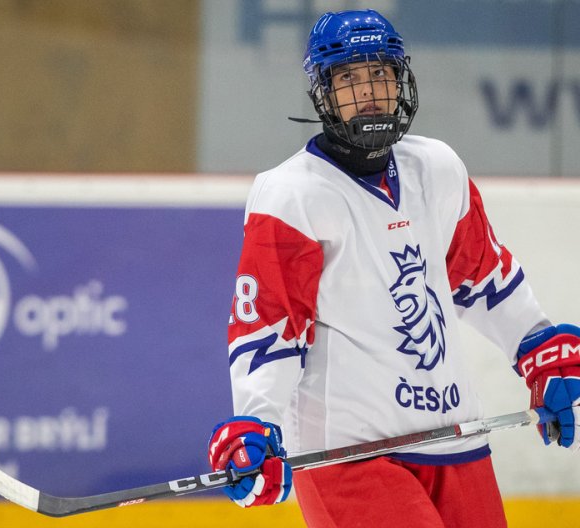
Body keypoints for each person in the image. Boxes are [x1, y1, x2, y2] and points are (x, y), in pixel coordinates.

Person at [207, 9, 580, 528]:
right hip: (348, 455)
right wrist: (256, 419)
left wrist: (536, 345)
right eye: (350, 79)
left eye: (380, 73)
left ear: (400, 79)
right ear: (324, 93)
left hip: (456, 438)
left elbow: (482, 276)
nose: (369, 92)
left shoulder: (438, 167)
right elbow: (270, 326)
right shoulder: (291, 194)